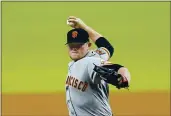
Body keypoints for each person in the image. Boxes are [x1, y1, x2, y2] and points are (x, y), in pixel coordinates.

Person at [65, 16, 131, 116]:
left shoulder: (90, 62)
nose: (74, 48)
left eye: (79, 45)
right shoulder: (96, 55)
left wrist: (123, 78)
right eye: (71, 45)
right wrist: (84, 27)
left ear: (88, 45)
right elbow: (107, 47)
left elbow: (118, 68)